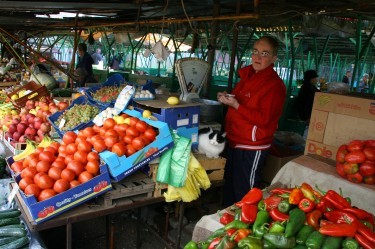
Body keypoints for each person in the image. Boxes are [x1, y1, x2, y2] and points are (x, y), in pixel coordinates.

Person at [217, 36, 286, 207]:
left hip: (251, 146)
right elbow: (238, 101)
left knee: (245, 193)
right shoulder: (247, 76)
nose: (257, 57)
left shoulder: (274, 86)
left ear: (273, 59)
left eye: (264, 53)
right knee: (230, 188)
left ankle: (244, 228)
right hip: (235, 139)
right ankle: (227, 225)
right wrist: (225, 99)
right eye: (255, 51)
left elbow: (264, 119)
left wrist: (236, 105)